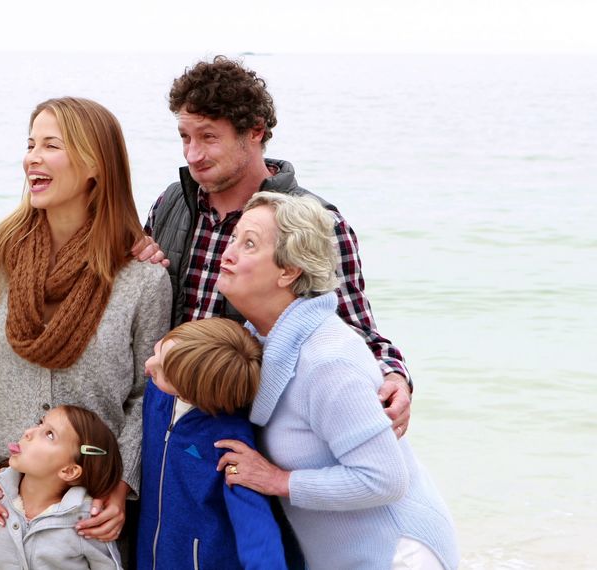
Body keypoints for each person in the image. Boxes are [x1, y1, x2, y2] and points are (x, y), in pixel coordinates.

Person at [140, 55, 413, 436]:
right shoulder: (171, 203)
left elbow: (353, 331)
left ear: (255, 132)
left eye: (208, 137)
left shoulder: (315, 222)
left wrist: (395, 377)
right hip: (165, 421)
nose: (192, 154)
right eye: (185, 137)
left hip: (249, 429)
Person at [0, 97, 171, 548]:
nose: (32, 157)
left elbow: (146, 395)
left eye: (51, 145)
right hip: (0, 499)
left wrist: (122, 486)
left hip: (90, 511)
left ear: (95, 163)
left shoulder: (143, 280)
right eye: (30, 143)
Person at [214, 192, 459, 569]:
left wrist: (277, 480)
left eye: (249, 244)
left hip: (397, 554)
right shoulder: (262, 341)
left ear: (289, 270)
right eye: (234, 239)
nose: (228, 254)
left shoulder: (328, 360)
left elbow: (383, 479)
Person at [138, 318, 286, 569]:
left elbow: (256, 530)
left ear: (192, 391)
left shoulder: (230, 443)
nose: (148, 366)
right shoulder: (157, 393)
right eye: (158, 351)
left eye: (164, 372)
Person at [0, 405, 124, 569]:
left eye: (49, 434)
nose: (28, 432)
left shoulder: (87, 520)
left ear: (69, 471)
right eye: (40, 423)